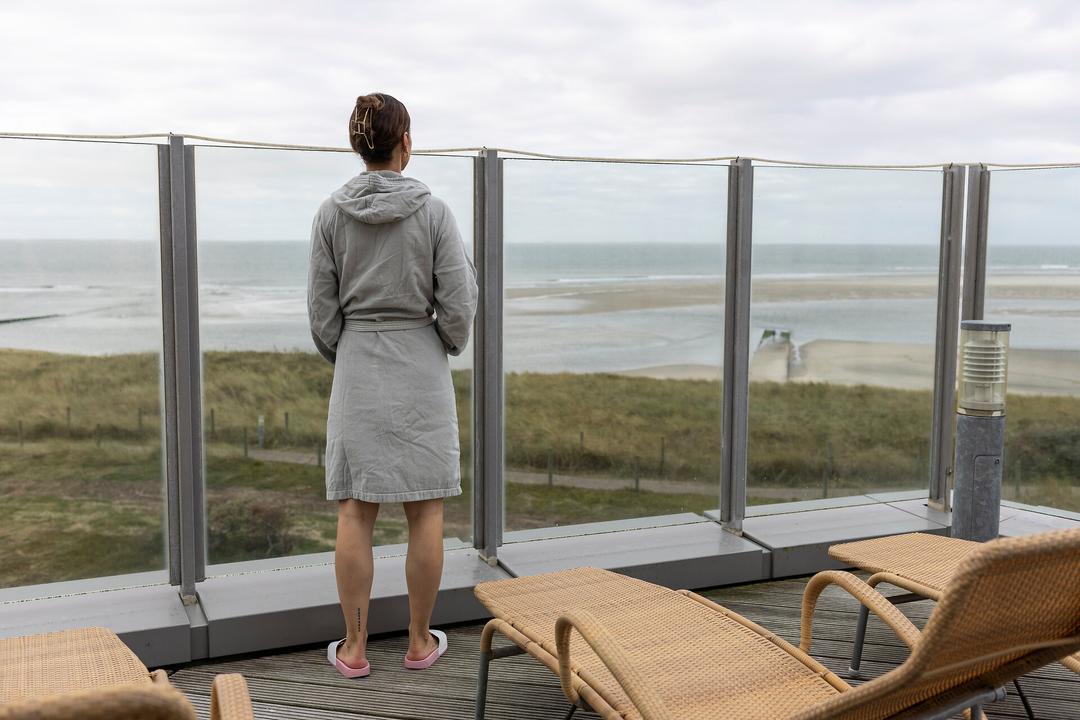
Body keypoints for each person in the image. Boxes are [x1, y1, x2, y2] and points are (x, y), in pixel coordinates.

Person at [307, 92, 478, 678]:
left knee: (356, 509)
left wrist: (348, 348)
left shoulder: (331, 213)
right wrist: (443, 343)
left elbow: (321, 312)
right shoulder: (434, 213)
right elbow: (458, 302)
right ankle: (417, 641)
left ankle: (353, 648)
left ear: (358, 145)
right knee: (425, 508)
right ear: (405, 142)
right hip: (420, 363)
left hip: (359, 363)